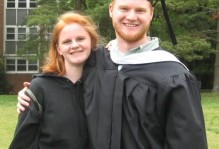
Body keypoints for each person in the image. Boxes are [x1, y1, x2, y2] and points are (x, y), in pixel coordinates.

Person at [17, 0, 208, 149]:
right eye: (124, 8)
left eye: (140, 10)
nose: (131, 17)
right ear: (111, 10)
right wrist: (31, 95)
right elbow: (63, 78)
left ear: (151, 14)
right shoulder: (97, 61)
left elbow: (188, 142)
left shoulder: (173, 75)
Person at [9, 11, 101, 149]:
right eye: (67, 41)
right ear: (59, 49)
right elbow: (23, 144)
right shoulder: (40, 88)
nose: (75, 45)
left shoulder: (104, 84)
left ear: (91, 41)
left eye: (81, 39)